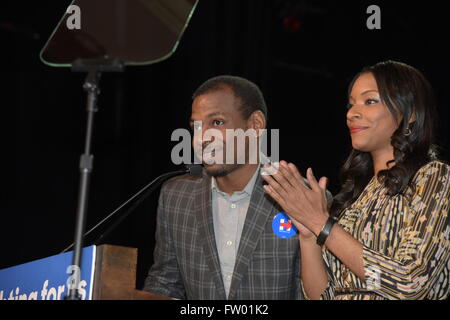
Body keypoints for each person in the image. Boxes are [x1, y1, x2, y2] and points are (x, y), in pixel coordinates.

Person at [261, 60, 450, 300]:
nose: (351, 113)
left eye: (370, 101)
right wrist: (309, 236)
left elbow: (410, 283)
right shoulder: (356, 197)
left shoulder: (433, 177)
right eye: (350, 105)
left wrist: (323, 225)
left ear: (410, 113)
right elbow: (322, 296)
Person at [143, 75, 329, 299]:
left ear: (255, 125)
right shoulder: (175, 195)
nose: (201, 139)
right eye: (196, 126)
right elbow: (165, 281)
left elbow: (319, 293)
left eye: (217, 122)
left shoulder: (302, 197)